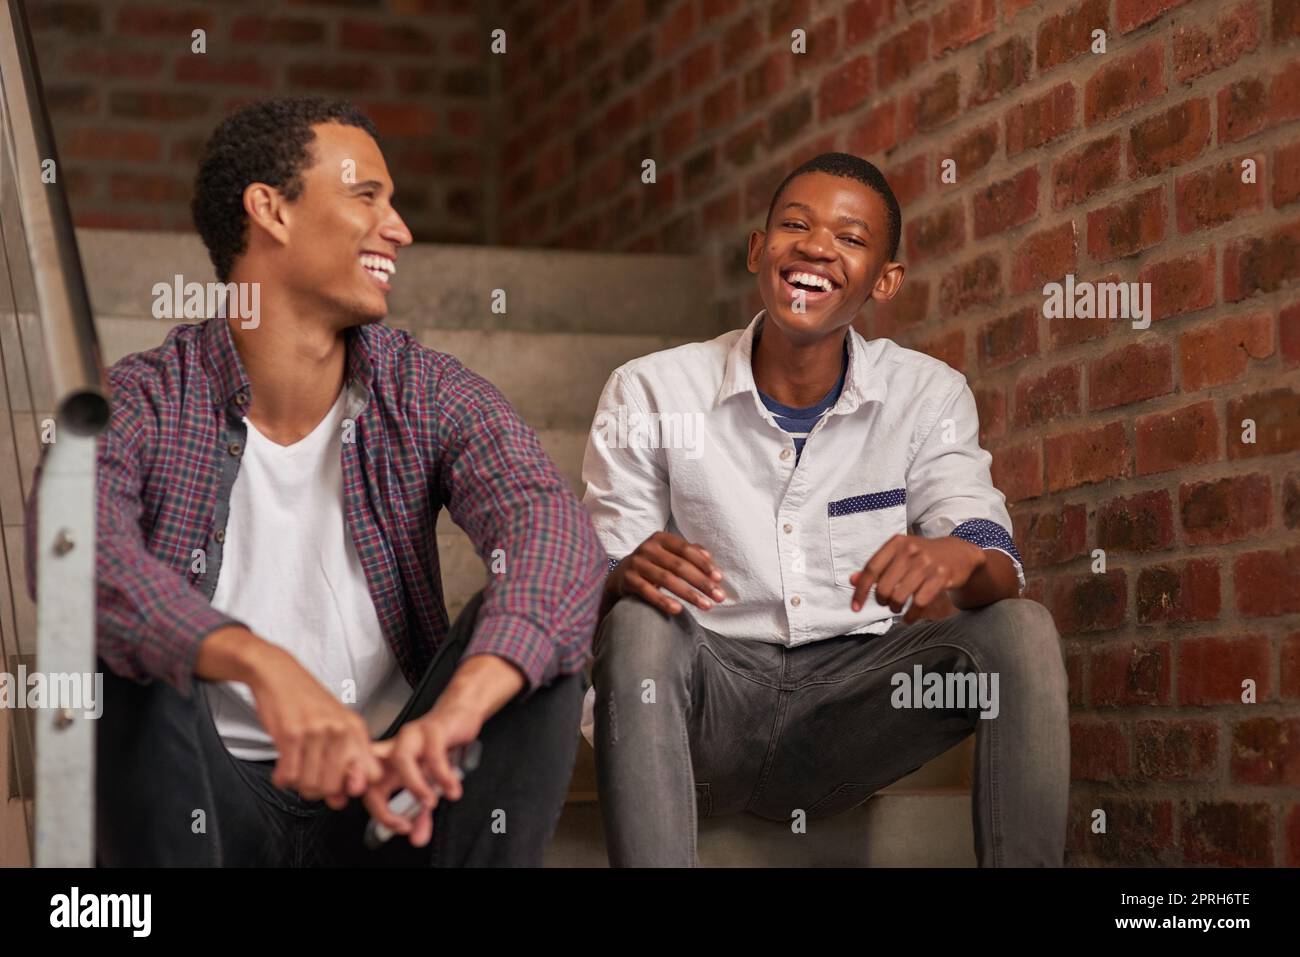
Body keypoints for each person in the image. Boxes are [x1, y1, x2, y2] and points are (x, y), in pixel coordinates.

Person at [25, 96, 605, 867]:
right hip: (207, 803)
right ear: (271, 210)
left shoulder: (423, 390)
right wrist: (262, 666)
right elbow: (70, 544)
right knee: (126, 647)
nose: (398, 228)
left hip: (395, 798)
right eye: (367, 195)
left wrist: (456, 714)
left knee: (539, 641)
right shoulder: (149, 398)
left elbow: (552, 533)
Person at [581, 152, 1069, 867]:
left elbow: (996, 562)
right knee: (637, 621)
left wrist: (960, 556)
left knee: (1020, 630)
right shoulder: (652, 392)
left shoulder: (925, 395)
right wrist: (621, 575)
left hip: (854, 715)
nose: (815, 246)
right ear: (759, 249)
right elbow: (592, 584)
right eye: (795, 225)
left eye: (849, 237)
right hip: (703, 715)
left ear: (885, 280)